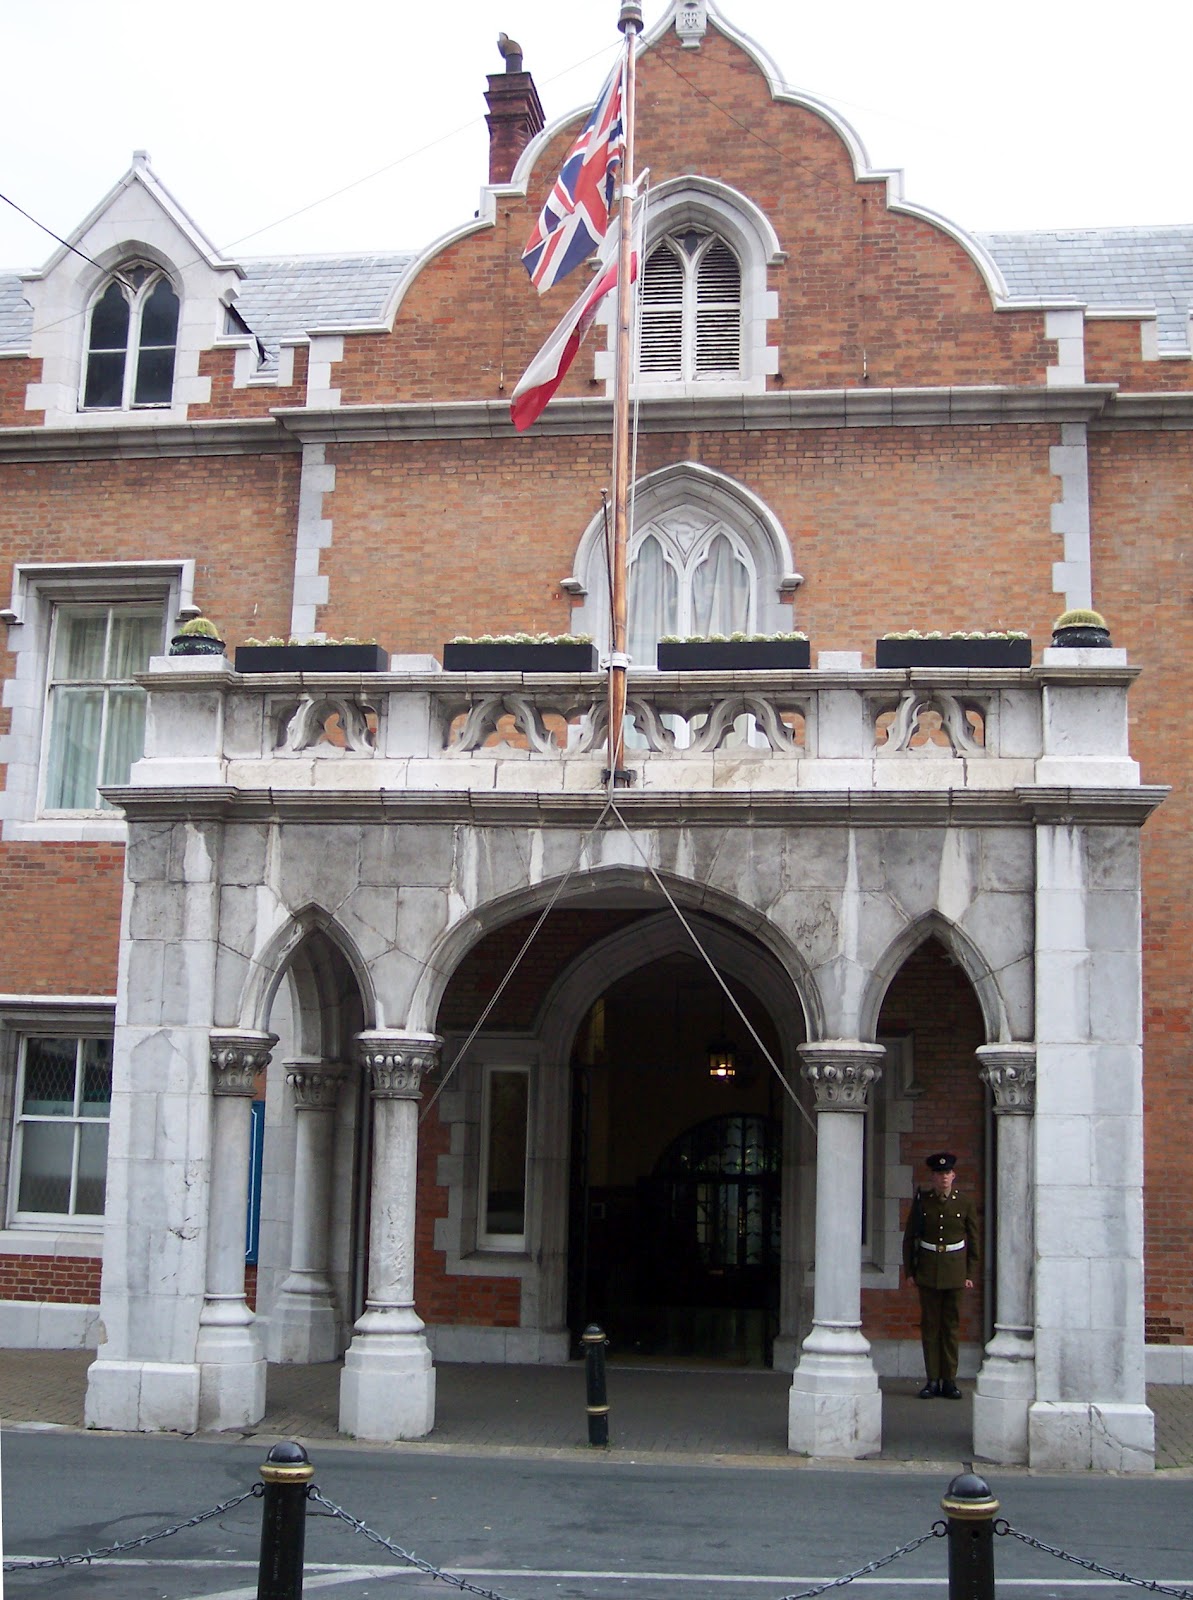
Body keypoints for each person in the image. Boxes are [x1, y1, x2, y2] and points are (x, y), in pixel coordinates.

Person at [902, 1151, 979, 1399]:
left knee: (951, 1327)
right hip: (928, 1269)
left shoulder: (964, 1203)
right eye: (939, 1174)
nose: (943, 1178)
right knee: (930, 1327)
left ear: (953, 1176)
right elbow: (910, 1238)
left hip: (955, 1271)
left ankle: (950, 1380)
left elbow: (973, 1240)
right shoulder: (923, 1202)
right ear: (933, 1177)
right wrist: (910, 1271)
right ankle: (932, 1380)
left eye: (947, 1173)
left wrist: (969, 1273)